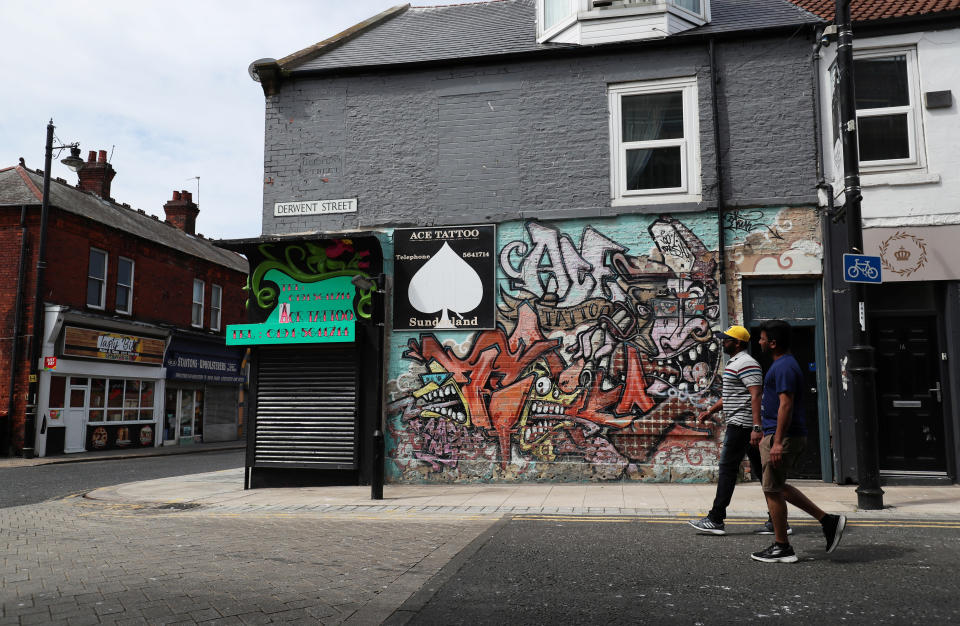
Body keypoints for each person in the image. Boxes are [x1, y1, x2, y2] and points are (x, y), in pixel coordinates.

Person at [751, 319, 846, 563]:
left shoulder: (783, 367)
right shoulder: (784, 364)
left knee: (772, 489)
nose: (759, 341)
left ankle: (783, 546)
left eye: (762, 338)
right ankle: (827, 521)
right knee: (778, 486)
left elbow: (786, 404)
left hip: (782, 435)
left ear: (772, 343)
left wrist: (778, 441)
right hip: (777, 433)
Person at [689, 325, 784, 535]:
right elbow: (732, 395)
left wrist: (757, 427)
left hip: (743, 425)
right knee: (762, 472)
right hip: (743, 424)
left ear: (738, 342)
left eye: (727, 339)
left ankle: (716, 518)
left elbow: (756, 395)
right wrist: (710, 411)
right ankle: (777, 521)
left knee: (728, 469)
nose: (723, 341)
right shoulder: (737, 363)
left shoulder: (747, 363)